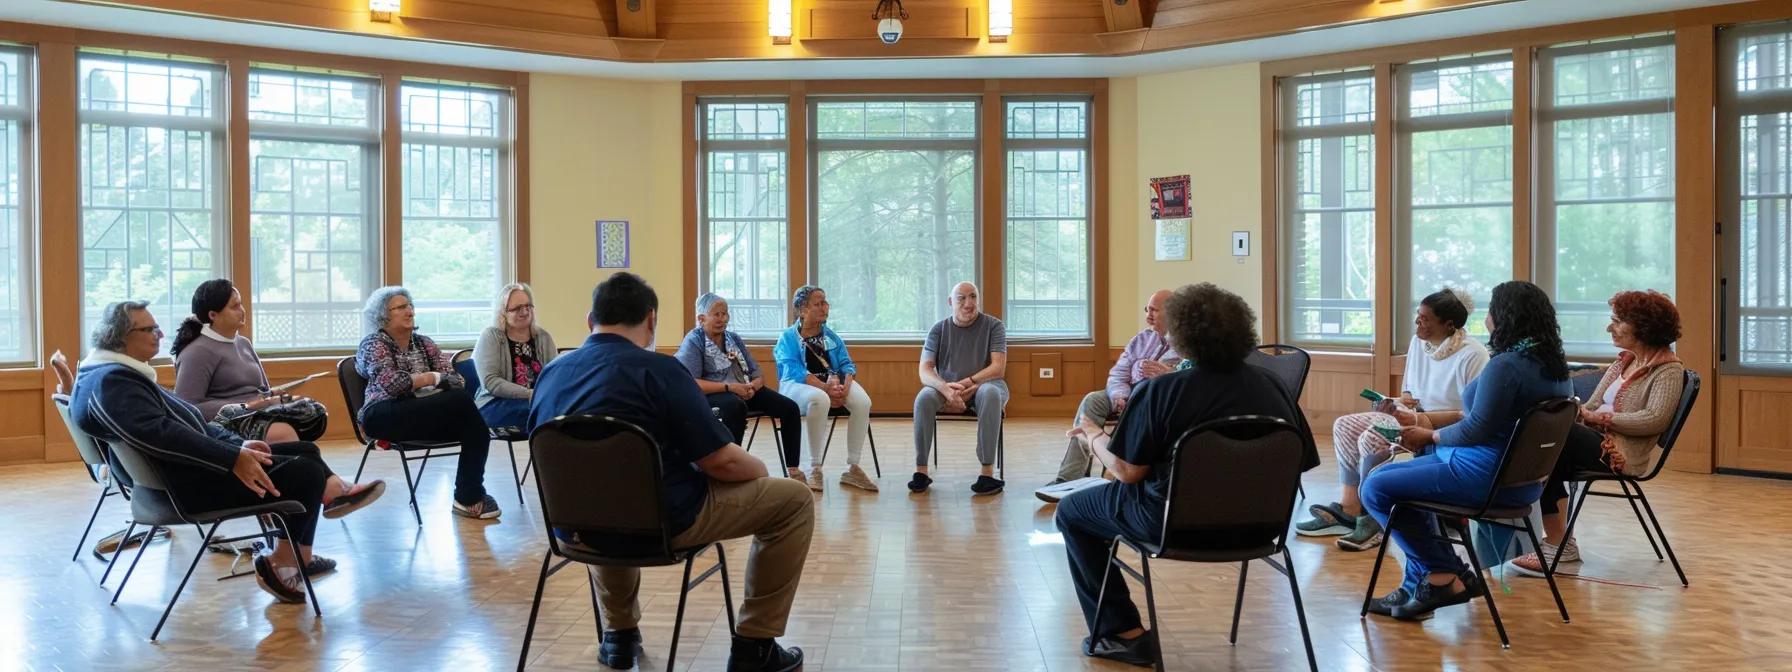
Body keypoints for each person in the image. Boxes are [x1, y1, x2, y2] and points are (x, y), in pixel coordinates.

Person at [530, 272, 812, 672]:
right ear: (650, 320)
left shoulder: (551, 375)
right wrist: (762, 472)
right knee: (794, 501)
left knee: (599, 488)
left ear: (590, 321)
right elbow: (725, 462)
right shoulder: (660, 372)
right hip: (664, 524)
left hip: (575, 528)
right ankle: (755, 647)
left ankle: (618, 635)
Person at [1054, 283, 1314, 667]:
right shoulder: (1273, 387)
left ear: (1181, 334)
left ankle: (1122, 633)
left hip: (1173, 525)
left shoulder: (1163, 390)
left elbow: (1126, 471)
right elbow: (1300, 461)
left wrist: (1094, 437)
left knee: (1073, 513)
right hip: (1262, 529)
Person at [71, 301, 383, 603]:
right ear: (122, 338)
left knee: (302, 450)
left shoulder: (105, 375)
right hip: (183, 490)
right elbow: (163, 436)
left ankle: (328, 501)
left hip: (174, 479)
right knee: (306, 473)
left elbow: (185, 425)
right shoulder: (114, 381)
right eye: (150, 328)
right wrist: (231, 457)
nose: (160, 334)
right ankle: (287, 563)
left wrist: (239, 445)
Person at [1360, 280, 1572, 621]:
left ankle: (1446, 573)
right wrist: (1426, 426)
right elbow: (1481, 418)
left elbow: (1476, 428)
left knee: (1375, 485)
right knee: (1398, 481)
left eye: (1491, 311)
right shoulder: (1554, 367)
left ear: (1504, 317)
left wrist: (1429, 437)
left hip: (1482, 475)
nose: (1486, 318)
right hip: (1524, 482)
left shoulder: (1507, 365)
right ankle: (1423, 583)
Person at [1505, 289, 1686, 577]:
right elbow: (1589, 406)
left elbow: (1654, 420)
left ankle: (1557, 544)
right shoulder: (1623, 361)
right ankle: (1559, 543)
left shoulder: (1668, 370)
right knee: (1547, 442)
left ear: (1643, 325)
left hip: (1623, 455)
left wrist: (1596, 418)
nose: (1609, 327)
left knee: (1548, 442)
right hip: (1595, 441)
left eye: (1617, 320)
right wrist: (1576, 411)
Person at [1296, 288, 1488, 551]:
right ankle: (1350, 507)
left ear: (1449, 324)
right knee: (1344, 426)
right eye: (1417, 316)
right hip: (1411, 416)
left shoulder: (1473, 354)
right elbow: (1410, 391)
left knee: (1371, 436)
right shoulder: (1419, 343)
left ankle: (1373, 519)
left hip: (1442, 425)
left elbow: (1472, 414)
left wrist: (1419, 417)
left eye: (1425, 319)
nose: (1418, 323)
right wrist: (1396, 402)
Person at [355, 286, 500, 520]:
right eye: (401, 307)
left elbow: (457, 380)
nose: (409, 311)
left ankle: (466, 497)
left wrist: (429, 381)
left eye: (410, 305)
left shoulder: (425, 343)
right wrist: (432, 378)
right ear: (383, 315)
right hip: (382, 415)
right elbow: (394, 385)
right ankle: (470, 495)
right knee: (463, 406)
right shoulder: (373, 344)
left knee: (476, 429)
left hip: (421, 413)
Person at [1036, 289, 1180, 503]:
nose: (1148, 315)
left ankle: (1113, 476)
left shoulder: (1185, 344)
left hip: (1153, 403)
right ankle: (1068, 479)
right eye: (1146, 309)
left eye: (1154, 310)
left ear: (1172, 313)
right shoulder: (1140, 339)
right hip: (1126, 394)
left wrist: (1169, 374)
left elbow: (1189, 379)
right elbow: (1118, 374)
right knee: (1092, 400)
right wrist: (1120, 396)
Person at [676, 293, 815, 489]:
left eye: (725, 314)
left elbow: (758, 373)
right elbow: (692, 383)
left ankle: (793, 469)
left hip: (743, 388)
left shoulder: (733, 338)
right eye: (717, 314)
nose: (722, 319)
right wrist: (730, 387)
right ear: (701, 318)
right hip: (714, 394)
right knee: (735, 406)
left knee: (789, 408)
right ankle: (731, 468)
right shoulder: (694, 341)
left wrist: (753, 387)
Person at [171, 279, 330, 445]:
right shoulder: (197, 351)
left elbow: (263, 390)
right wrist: (249, 405)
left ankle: (307, 467)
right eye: (234, 307)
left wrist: (272, 396)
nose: (242, 311)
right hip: (228, 422)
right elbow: (188, 406)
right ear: (213, 315)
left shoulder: (243, 343)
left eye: (241, 304)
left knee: (316, 413)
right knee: (284, 433)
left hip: (258, 412)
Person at [772, 286, 877, 492]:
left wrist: (845, 387)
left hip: (832, 384)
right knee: (820, 399)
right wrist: (826, 388)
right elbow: (793, 370)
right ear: (802, 310)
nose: (824, 307)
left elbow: (847, 365)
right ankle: (814, 467)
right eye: (818, 304)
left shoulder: (831, 336)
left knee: (863, 402)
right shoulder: (788, 337)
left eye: (825, 303)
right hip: (796, 386)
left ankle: (853, 467)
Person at [910, 282, 1009, 496]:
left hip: (986, 385)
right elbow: (925, 371)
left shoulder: (994, 326)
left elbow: (998, 368)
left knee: (991, 394)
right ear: (950, 302)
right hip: (948, 386)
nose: (968, 303)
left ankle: (987, 474)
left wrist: (968, 383)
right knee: (923, 398)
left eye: (973, 297)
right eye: (961, 298)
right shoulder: (938, 329)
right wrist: (946, 390)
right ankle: (921, 471)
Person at [473, 282, 558, 430]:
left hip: (537, 401)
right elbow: (491, 382)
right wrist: (529, 394)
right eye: (517, 308)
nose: (525, 312)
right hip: (495, 403)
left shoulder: (543, 337)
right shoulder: (490, 336)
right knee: (540, 413)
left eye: (528, 306)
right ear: (503, 312)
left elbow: (555, 375)